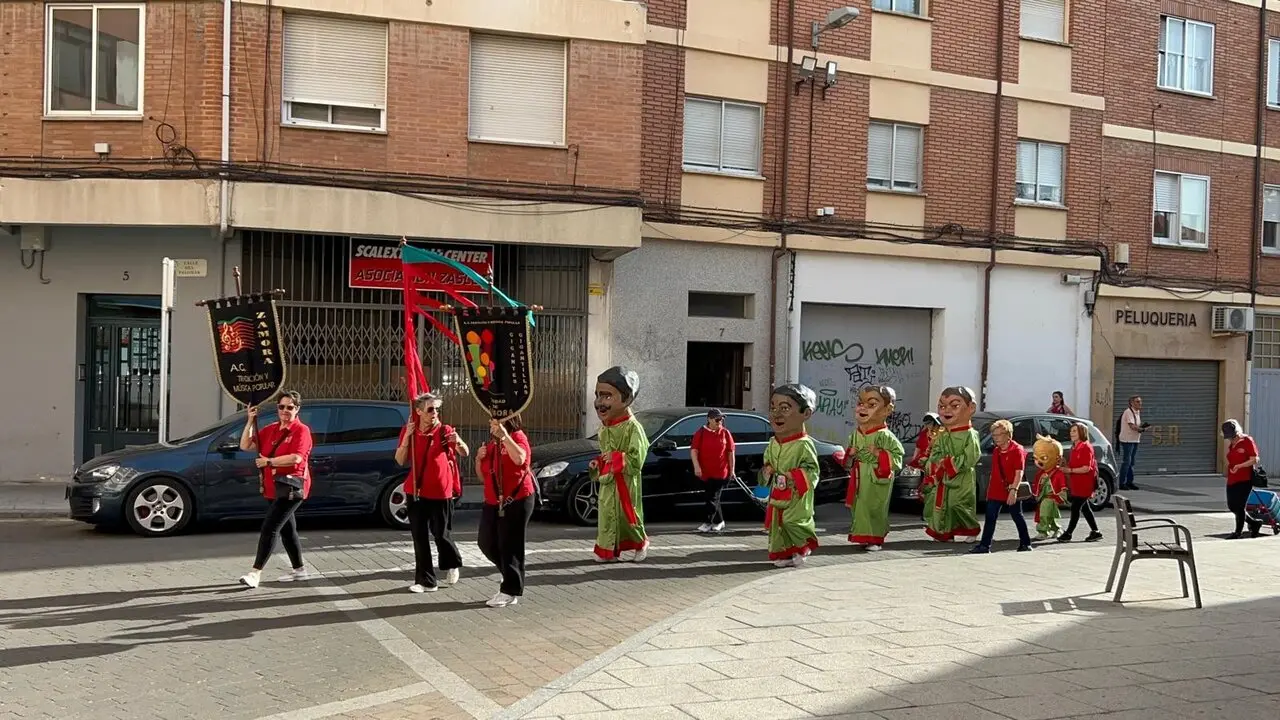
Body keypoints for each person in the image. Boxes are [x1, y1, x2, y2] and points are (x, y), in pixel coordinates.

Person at [238, 390, 314, 589]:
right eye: (282, 407)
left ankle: (255, 572)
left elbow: (296, 458)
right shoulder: (271, 429)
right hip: (273, 487)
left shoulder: (301, 430)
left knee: (270, 528)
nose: (285, 411)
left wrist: (269, 461)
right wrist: (249, 421)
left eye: (290, 407)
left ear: (297, 409)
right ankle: (299, 570)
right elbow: (245, 445)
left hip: (291, 486)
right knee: (288, 530)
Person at [395, 392, 470, 593]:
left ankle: (452, 562)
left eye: (436, 408)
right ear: (418, 412)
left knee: (441, 534)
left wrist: (459, 441)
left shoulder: (444, 430)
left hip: (440, 491)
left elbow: (464, 452)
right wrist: (407, 438)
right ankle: (426, 581)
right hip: (416, 490)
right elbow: (400, 459)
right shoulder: (409, 430)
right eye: (430, 409)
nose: (434, 412)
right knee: (419, 536)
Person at [590, 366, 650, 562]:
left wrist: (617, 458)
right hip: (609, 483)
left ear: (626, 399)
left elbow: (636, 459)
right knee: (607, 516)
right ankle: (607, 550)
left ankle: (640, 544)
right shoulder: (604, 428)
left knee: (629, 516)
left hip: (626, 482)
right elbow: (604, 454)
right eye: (598, 395)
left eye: (607, 396)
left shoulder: (634, 428)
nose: (600, 403)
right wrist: (597, 465)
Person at [475, 415, 535, 607]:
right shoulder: (492, 444)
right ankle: (510, 575)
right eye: (491, 422)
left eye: (494, 422)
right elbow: (483, 476)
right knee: (486, 541)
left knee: (510, 545)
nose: (491, 425)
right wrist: (479, 458)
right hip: (493, 501)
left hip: (516, 499)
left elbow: (520, 459)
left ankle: (510, 590)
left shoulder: (517, 437)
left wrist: (505, 437)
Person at [761, 384, 821, 567]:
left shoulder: (804, 444)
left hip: (797, 493)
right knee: (777, 524)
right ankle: (785, 554)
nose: (776, 414)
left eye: (785, 408)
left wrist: (794, 476)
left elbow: (812, 470)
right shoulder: (773, 442)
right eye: (773, 408)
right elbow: (767, 462)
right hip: (778, 491)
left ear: (806, 414)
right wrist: (768, 470)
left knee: (792, 521)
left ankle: (803, 547)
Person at [844, 386, 904, 551]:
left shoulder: (885, 435)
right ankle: (863, 535)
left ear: (887, 410)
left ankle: (875, 538)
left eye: (871, 405)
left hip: (876, 476)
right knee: (860, 506)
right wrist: (851, 454)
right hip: (859, 475)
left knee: (874, 506)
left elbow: (898, 457)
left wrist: (879, 454)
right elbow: (849, 454)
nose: (862, 408)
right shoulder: (856, 434)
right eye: (860, 403)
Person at [924, 386, 982, 543]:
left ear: (971, 408)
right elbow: (935, 452)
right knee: (943, 505)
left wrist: (949, 463)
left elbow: (972, 456)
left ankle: (971, 529)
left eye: (954, 406)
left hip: (961, 478)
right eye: (942, 406)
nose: (946, 410)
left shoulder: (970, 434)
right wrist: (934, 462)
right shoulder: (943, 433)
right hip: (943, 477)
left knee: (958, 504)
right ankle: (944, 532)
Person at [970, 419, 1033, 554]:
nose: (996, 438)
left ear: (1008, 435)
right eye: (994, 435)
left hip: (1011, 488)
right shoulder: (997, 451)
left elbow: (1019, 472)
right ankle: (984, 546)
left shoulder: (1017, 450)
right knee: (990, 517)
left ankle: (1025, 543)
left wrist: (1014, 490)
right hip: (996, 489)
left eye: (999, 435)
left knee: (1017, 516)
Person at [691, 408, 735, 533]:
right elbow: (694, 450)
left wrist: (732, 470)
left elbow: (731, 453)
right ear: (709, 419)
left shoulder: (725, 433)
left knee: (713, 497)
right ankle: (719, 521)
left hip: (721, 471)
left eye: (721, 419)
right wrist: (696, 466)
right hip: (706, 471)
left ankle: (708, 522)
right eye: (717, 419)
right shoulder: (701, 432)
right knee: (711, 497)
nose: (719, 421)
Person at [1058, 422, 1103, 543]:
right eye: (1071, 431)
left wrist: (1069, 470)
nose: (1071, 433)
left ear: (1081, 432)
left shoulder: (1086, 447)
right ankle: (1096, 531)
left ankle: (1068, 533)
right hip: (1077, 482)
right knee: (1085, 508)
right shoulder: (1074, 447)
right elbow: (1074, 465)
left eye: (1074, 431)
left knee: (1075, 507)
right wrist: (1065, 465)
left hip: (1085, 483)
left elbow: (1086, 468)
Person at [1222, 419, 1262, 538]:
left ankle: (1237, 532)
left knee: (1239, 506)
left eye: (1233, 436)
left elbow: (1255, 459)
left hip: (1245, 479)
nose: (1231, 439)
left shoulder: (1247, 441)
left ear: (1238, 431)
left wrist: (1240, 466)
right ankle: (1254, 523)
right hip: (1232, 478)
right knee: (1232, 506)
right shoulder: (1232, 444)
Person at [1031, 435, 1068, 540]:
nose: (1038, 462)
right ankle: (1057, 529)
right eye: (1036, 458)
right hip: (1044, 497)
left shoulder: (1058, 473)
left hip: (1053, 497)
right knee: (1048, 515)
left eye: (1043, 458)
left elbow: (1062, 486)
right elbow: (1037, 485)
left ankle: (1043, 531)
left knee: (1045, 513)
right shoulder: (1040, 473)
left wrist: (1061, 496)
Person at [913, 414, 943, 526]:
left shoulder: (942, 433)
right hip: (928, 466)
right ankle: (928, 514)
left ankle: (933, 516)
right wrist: (916, 460)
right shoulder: (925, 434)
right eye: (926, 424)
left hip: (938, 466)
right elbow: (921, 448)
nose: (928, 426)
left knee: (935, 490)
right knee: (926, 490)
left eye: (930, 423)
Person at [1116, 395, 1146, 490]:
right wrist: (1141, 429)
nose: (1140, 403)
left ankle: (1130, 482)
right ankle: (1122, 483)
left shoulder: (1137, 412)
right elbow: (1132, 426)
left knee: (1131, 462)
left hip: (1135, 439)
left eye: (1140, 401)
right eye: (1137, 401)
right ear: (1132, 403)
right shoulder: (1128, 412)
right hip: (1127, 440)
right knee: (1127, 461)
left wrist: (1142, 427)